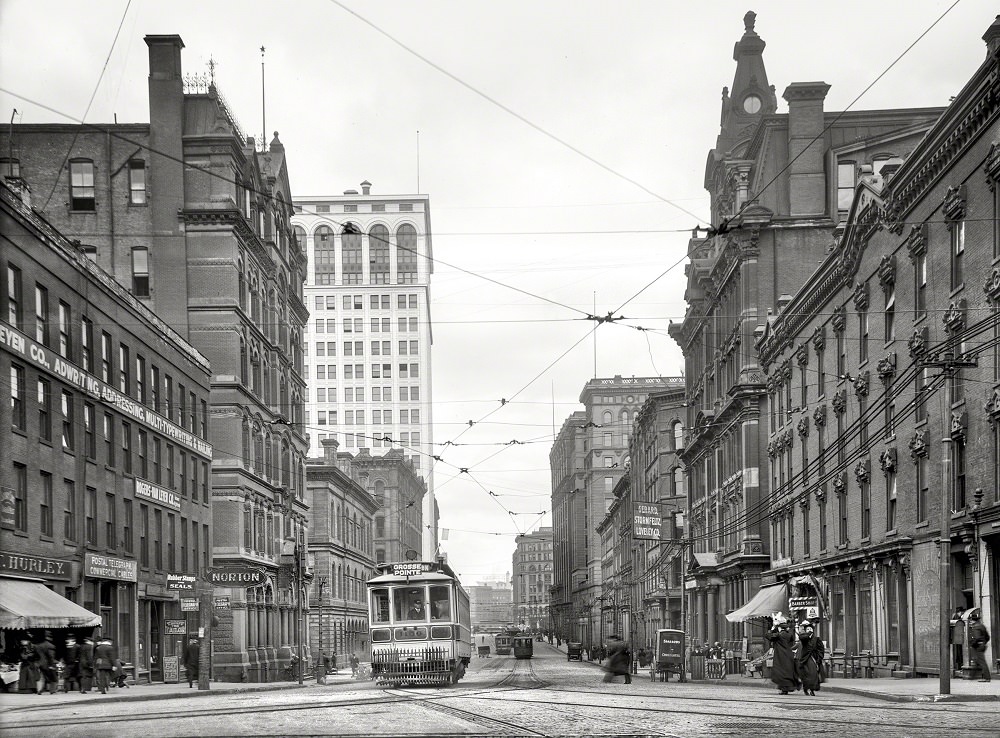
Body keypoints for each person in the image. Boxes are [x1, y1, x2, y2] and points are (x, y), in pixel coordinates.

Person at [765, 613, 799, 695]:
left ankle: (784, 689)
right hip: (788, 654)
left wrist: (773, 628)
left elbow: (768, 636)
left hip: (780, 655)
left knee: (780, 671)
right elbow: (791, 642)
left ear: (780, 628)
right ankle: (786, 689)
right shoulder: (789, 635)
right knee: (787, 671)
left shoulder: (778, 635)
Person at [795, 621, 824, 696]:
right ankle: (805, 688)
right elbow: (802, 637)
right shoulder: (804, 638)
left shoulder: (816, 639)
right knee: (806, 675)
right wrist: (807, 634)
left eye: (811, 629)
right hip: (805, 659)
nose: (809, 630)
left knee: (813, 674)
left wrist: (819, 657)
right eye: (808, 629)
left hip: (813, 658)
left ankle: (812, 689)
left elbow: (821, 649)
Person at [967, 609, 991, 683]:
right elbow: (987, 637)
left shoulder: (976, 627)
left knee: (981, 661)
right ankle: (974, 676)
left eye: (971, 620)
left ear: (973, 620)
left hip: (978, 646)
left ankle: (987, 678)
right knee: (978, 660)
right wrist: (983, 642)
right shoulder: (981, 626)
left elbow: (976, 638)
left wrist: (973, 644)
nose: (970, 622)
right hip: (982, 645)